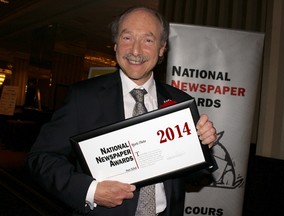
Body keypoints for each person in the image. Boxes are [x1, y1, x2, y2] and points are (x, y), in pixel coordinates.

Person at [26, 6, 217, 216]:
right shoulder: (84, 98)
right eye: (127, 38)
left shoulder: (181, 102)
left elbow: (194, 176)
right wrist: (91, 191)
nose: (135, 51)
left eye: (148, 40)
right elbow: (41, 158)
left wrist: (201, 145)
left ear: (162, 48)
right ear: (115, 44)